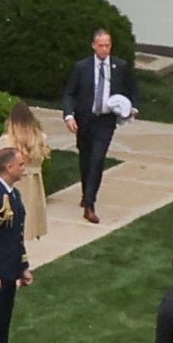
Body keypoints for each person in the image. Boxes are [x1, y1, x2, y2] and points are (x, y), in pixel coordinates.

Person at [69, 27, 137, 219]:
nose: (105, 49)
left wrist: (132, 108)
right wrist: (69, 115)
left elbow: (133, 90)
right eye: (101, 45)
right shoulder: (81, 67)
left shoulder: (120, 66)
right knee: (86, 159)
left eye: (108, 45)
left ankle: (90, 204)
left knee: (98, 160)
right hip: (85, 120)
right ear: (93, 46)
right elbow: (69, 93)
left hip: (106, 122)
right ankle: (86, 192)